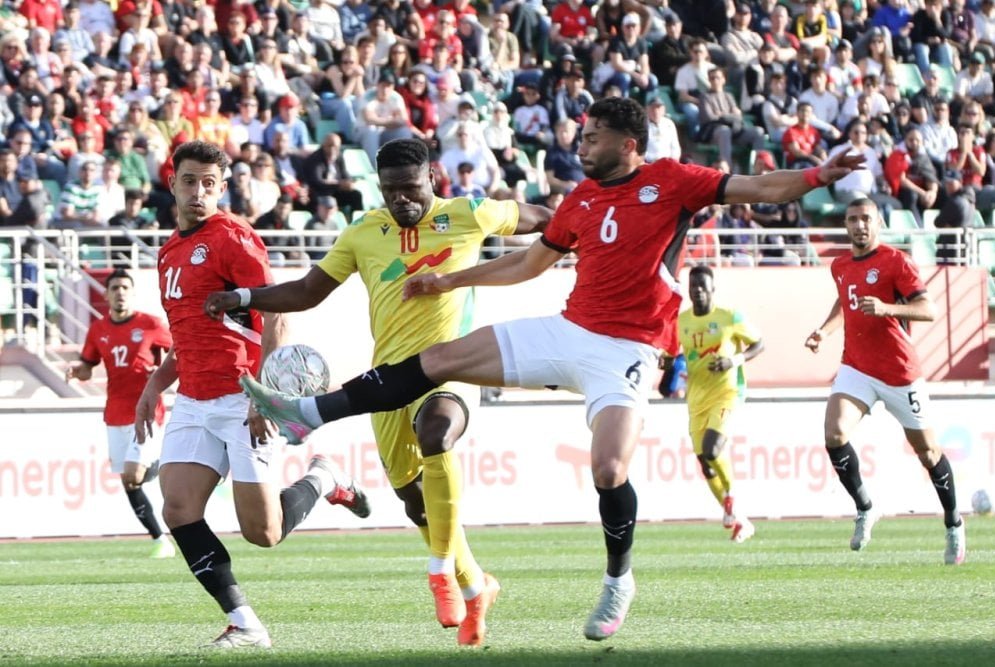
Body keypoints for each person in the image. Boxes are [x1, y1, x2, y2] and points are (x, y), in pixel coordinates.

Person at [236, 97, 865, 641]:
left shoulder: (674, 180)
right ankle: (307, 415)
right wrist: (451, 279)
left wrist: (815, 177)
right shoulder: (581, 200)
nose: (580, 145)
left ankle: (618, 579)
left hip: (627, 350)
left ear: (627, 143)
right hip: (568, 330)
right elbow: (530, 264)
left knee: (609, 467)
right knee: (438, 360)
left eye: (590, 137)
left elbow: (760, 188)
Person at [205, 138, 550, 646]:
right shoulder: (365, 230)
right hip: (387, 382)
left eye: (410, 189)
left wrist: (584, 230)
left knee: (438, 432)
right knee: (415, 504)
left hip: (453, 367)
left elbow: (544, 217)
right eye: (391, 191)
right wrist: (243, 296)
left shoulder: (472, 213)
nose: (401, 201)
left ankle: (439, 574)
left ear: (432, 178)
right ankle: (476, 585)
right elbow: (307, 291)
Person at [132, 141, 370, 649]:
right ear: (172, 183)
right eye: (190, 181)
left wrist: (264, 397)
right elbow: (188, 331)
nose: (199, 192)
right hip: (194, 400)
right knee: (177, 508)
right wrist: (155, 384)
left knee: (263, 532)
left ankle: (324, 477)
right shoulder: (169, 249)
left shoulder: (234, 238)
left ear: (223, 188)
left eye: (210, 184)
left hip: (243, 397)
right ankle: (245, 622)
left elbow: (276, 313)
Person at [804, 198, 966, 565]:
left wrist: (888, 307)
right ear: (845, 225)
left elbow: (929, 309)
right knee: (834, 433)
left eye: (865, 219)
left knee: (927, 452)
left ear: (877, 223)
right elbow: (846, 303)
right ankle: (866, 507)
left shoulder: (896, 262)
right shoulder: (840, 265)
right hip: (857, 366)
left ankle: (954, 523)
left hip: (899, 372)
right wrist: (824, 332)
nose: (859, 225)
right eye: (852, 219)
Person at [65, 269, 176, 559]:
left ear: (132, 292)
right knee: (129, 480)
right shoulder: (98, 329)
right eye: (115, 287)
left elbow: (179, 352)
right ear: (106, 294)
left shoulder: (150, 324)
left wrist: (160, 374)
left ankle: (173, 464)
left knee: (132, 472)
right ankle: (159, 540)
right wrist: (79, 371)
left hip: (148, 411)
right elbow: (89, 365)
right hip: (115, 413)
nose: (120, 292)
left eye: (125, 287)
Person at [677, 265, 763, 543]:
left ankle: (732, 498)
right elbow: (676, 355)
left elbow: (758, 343)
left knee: (713, 448)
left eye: (703, 287)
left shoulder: (729, 317)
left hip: (727, 392)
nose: (698, 292)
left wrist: (733, 360)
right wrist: (666, 363)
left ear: (713, 289)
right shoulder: (682, 322)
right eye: (693, 287)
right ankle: (739, 519)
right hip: (696, 397)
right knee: (705, 463)